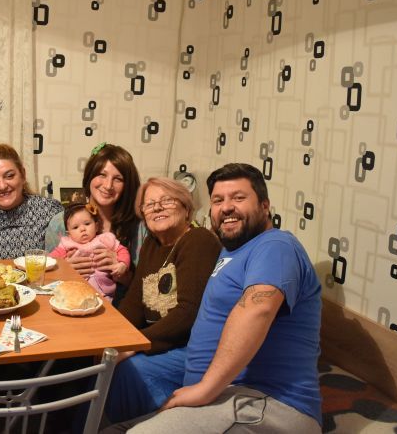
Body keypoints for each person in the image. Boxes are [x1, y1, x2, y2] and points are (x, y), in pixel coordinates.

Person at [103, 163, 323, 433]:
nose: (226, 207)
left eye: (238, 198)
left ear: (265, 206)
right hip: (218, 395)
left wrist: (205, 389)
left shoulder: (275, 245)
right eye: (218, 200)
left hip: (263, 400)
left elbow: (257, 309)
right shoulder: (230, 254)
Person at [104, 177, 221, 420]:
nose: (157, 208)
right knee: (101, 358)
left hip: (188, 347)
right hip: (157, 340)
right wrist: (112, 336)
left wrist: (136, 344)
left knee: (128, 370)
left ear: (186, 208)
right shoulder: (152, 243)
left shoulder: (198, 240)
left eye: (167, 201)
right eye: (149, 204)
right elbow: (135, 301)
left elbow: (189, 312)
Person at [45, 143, 144, 296]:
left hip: (119, 307)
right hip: (71, 301)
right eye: (102, 175)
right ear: (89, 176)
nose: (108, 185)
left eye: (118, 179)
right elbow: (46, 278)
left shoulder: (138, 227)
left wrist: (122, 272)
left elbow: (146, 289)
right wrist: (63, 269)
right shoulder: (59, 223)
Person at [48, 202, 130, 301]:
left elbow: (122, 250)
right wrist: (62, 266)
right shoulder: (66, 244)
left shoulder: (105, 239)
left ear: (96, 226)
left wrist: (123, 264)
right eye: (75, 227)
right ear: (69, 234)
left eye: (87, 224)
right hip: (77, 291)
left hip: (105, 291)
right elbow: (51, 259)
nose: (83, 229)